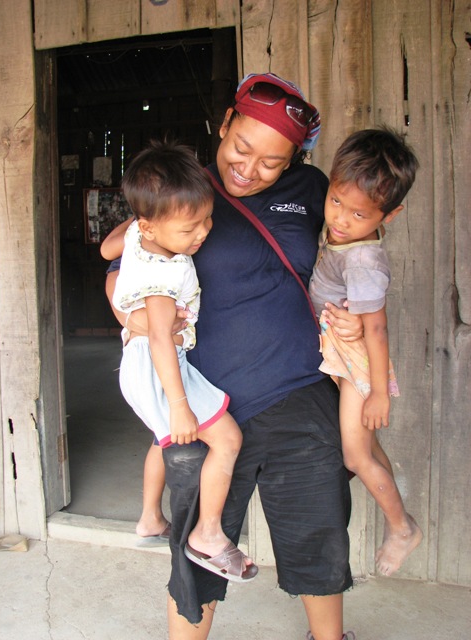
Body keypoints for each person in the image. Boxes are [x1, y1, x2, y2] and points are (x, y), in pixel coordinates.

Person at [106, 73, 361, 640]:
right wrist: (131, 319)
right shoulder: (183, 191)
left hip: (300, 392)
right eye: (241, 149)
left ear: (293, 160)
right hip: (208, 401)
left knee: (318, 532)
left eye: (271, 162)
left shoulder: (311, 189)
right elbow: (123, 268)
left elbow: (351, 251)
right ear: (224, 125)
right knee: (197, 552)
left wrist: (357, 313)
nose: (249, 169)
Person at [101, 140, 257, 582]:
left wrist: (143, 217)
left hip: (140, 365)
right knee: (227, 440)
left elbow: (107, 249)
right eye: (189, 228)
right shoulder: (164, 276)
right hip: (159, 365)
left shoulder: (138, 236)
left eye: (206, 219)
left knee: (161, 439)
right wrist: (179, 404)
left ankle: (150, 518)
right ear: (151, 226)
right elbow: (160, 339)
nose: (202, 233)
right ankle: (208, 535)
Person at [308, 128, 423, 576]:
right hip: (342, 350)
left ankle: (401, 527)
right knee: (368, 447)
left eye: (358, 213)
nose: (340, 219)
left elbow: (375, 328)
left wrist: (377, 392)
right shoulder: (344, 235)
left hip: (357, 361)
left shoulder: (363, 260)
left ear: (389, 215)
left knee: (354, 455)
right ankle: (399, 518)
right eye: (336, 201)